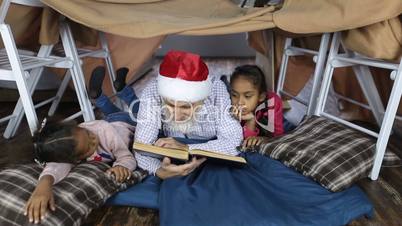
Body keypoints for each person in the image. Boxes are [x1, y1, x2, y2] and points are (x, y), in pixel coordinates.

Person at [25, 66, 138, 224]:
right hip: (112, 120)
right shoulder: (72, 147)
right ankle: (98, 96)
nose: (94, 140)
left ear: (78, 127)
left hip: (127, 124)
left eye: (88, 135)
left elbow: (125, 155)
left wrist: (121, 166)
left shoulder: (100, 130)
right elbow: (56, 166)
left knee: (137, 110)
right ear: (76, 158)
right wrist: (45, 183)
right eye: (89, 147)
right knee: (112, 113)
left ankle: (120, 89)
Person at [228, 65, 284, 149]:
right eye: (234, 95)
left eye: (247, 96)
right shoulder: (228, 106)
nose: (240, 102)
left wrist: (264, 139)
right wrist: (251, 122)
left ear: (261, 96)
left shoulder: (272, 103)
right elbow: (240, 143)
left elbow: (278, 138)